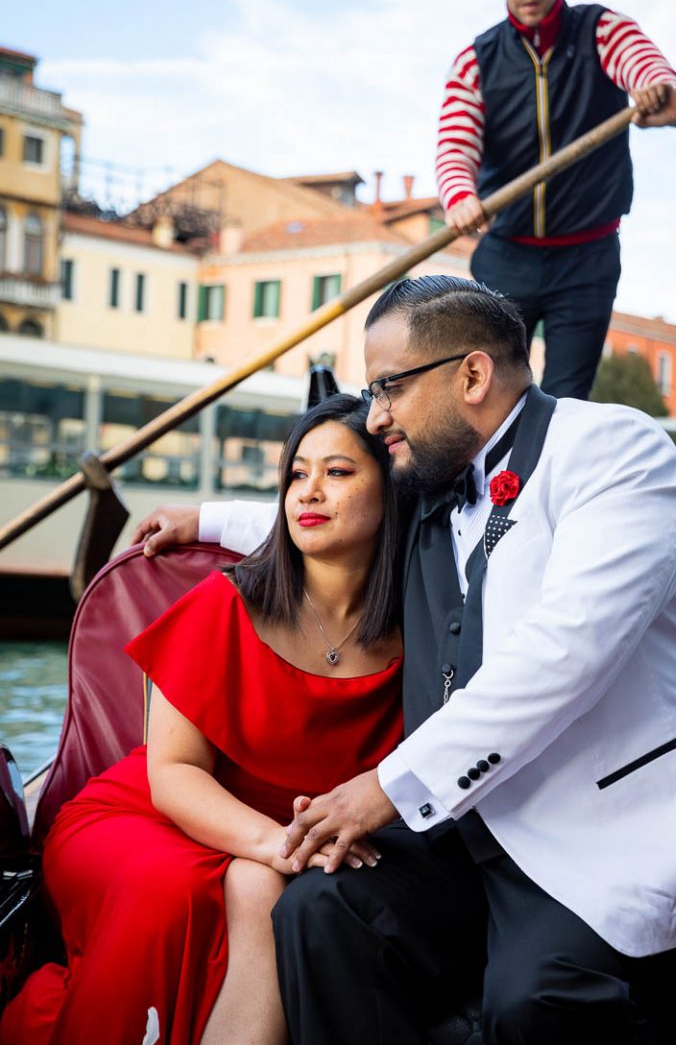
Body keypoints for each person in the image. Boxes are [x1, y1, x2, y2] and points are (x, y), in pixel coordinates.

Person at [129, 276, 676, 1044]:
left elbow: (563, 654)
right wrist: (205, 518)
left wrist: (382, 790)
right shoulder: (430, 475)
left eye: (389, 388)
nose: (376, 416)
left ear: (471, 375)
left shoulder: (619, 453)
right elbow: (338, 508)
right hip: (467, 829)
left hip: (613, 830)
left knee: (535, 1002)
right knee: (319, 911)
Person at [0, 395, 405, 1045]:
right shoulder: (222, 606)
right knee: (178, 896)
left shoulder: (424, 635)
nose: (310, 491)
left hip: (276, 843)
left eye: (338, 472)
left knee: (257, 885)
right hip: (151, 817)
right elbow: (173, 776)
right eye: (297, 474)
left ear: (392, 489)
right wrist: (282, 847)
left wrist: (278, 852)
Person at [436, 0, 676, 400]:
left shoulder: (602, 31)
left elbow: (652, 74)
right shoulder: (476, 60)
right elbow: (454, 142)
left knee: (565, 403)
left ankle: (547, 479)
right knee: (490, 395)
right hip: (507, 256)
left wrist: (656, 93)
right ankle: (486, 480)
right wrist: (460, 196)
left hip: (587, 257)